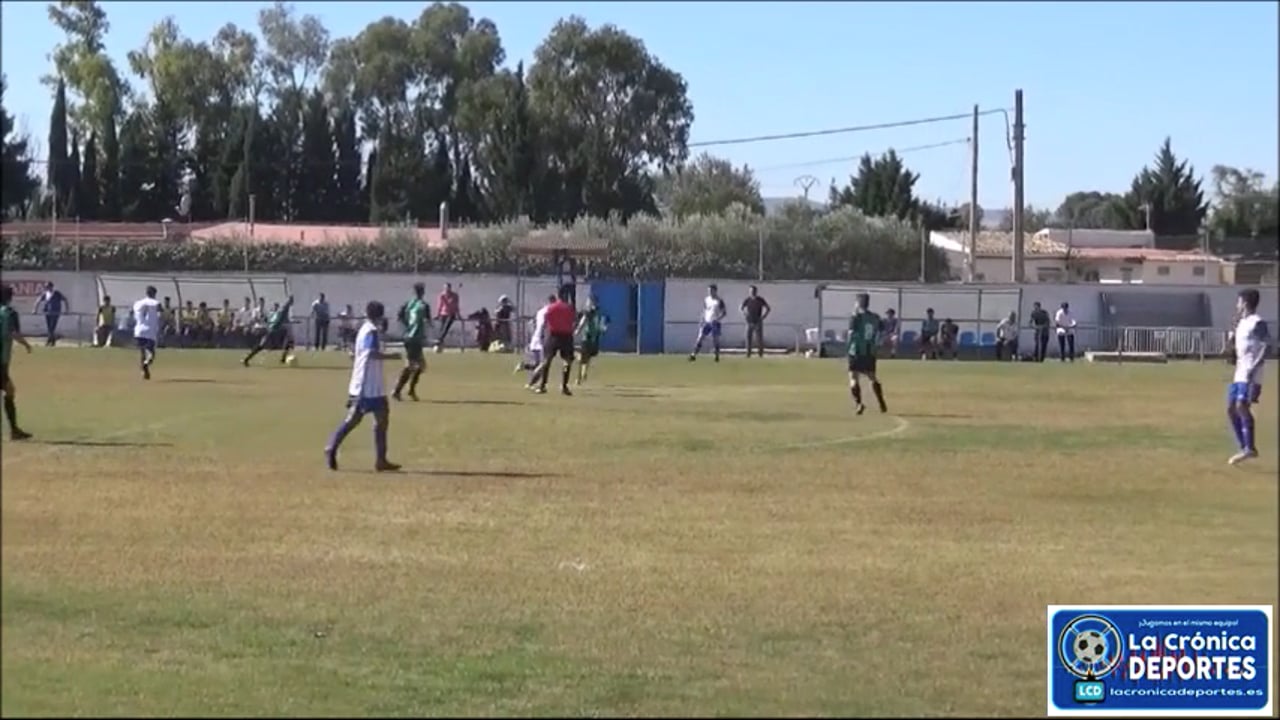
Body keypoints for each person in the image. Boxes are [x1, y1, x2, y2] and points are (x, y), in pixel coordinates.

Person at [325, 300, 401, 472]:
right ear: (380, 316)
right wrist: (392, 356)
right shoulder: (372, 332)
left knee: (382, 418)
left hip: (370, 385)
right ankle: (331, 447)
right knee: (354, 419)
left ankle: (381, 460)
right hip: (368, 386)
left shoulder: (363, 330)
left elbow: (356, 352)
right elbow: (371, 353)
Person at [1226, 289, 1269, 465]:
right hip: (1239, 372)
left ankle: (1249, 448)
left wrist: (1254, 365)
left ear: (1244, 303)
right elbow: (1233, 347)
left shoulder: (1257, 322)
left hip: (1251, 372)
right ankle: (1245, 447)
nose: (1236, 305)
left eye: (1238, 301)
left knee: (1241, 405)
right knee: (1231, 409)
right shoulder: (1240, 322)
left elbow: (1267, 346)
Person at [1, 284, 34, 440]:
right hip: (1, 360)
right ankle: (14, 431)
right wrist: (26, 344)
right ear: (10, 297)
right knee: (10, 390)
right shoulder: (9, 313)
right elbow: (13, 333)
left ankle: (14, 430)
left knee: (9, 390)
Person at [530, 286, 577, 396]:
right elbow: (573, 321)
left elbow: (546, 320)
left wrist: (543, 333)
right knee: (567, 361)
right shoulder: (570, 308)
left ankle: (543, 385)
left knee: (547, 360)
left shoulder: (551, 308)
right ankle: (564, 386)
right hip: (566, 336)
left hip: (553, 335)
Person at [847, 293, 888, 415]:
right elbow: (882, 332)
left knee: (853, 378)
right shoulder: (875, 317)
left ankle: (859, 404)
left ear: (858, 303)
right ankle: (881, 402)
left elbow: (851, 334)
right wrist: (876, 344)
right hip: (870, 351)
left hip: (856, 351)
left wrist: (848, 348)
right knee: (872, 377)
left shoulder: (856, 317)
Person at [393, 283, 429, 402]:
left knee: (417, 365)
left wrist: (408, 326)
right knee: (414, 365)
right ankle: (400, 390)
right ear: (423, 292)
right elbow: (427, 322)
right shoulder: (424, 305)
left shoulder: (407, 304)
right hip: (416, 338)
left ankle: (406, 391)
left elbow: (399, 317)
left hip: (408, 337)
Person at [242, 296, 295, 365]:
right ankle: (246, 359)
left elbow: (266, 320)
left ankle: (247, 359)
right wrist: (290, 300)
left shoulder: (274, 313)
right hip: (274, 332)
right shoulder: (282, 312)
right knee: (289, 341)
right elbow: (285, 308)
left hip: (271, 331)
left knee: (261, 346)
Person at [518, 295, 554, 385]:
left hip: (535, 338)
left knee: (537, 364)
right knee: (543, 364)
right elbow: (544, 324)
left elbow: (533, 323)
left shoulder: (540, 311)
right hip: (542, 339)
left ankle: (524, 366)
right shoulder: (550, 311)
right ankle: (531, 384)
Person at [575, 297, 609, 386]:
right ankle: (583, 374)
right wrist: (603, 330)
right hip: (595, 339)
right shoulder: (602, 313)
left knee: (582, 358)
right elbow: (605, 326)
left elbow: (582, 323)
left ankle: (579, 378)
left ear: (592, 303)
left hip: (587, 337)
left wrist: (576, 332)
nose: (587, 303)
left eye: (588, 302)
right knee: (587, 357)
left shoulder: (588, 313)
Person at [689, 283, 726, 362]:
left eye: (711, 291)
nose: (710, 292)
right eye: (709, 291)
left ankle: (717, 356)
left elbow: (724, 313)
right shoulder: (706, 299)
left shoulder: (719, 301)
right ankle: (693, 355)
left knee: (715, 339)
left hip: (715, 323)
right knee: (700, 338)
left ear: (715, 291)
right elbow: (704, 310)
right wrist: (701, 320)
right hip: (707, 322)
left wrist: (717, 319)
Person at [133, 286, 162, 381]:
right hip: (149, 331)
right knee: (151, 354)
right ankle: (146, 364)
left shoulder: (137, 303)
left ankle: (144, 372)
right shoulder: (156, 303)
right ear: (154, 294)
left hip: (138, 331)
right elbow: (160, 312)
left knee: (142, 352)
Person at [33, 281, 68, 347]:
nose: (47, 288)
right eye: (46, 287)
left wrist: (67, 310)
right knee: (49, 327)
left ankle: (50, 340)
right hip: (47, 313)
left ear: (51, 287)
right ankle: (52, 340)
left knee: (52, 327)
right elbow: (38, 301)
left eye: (48, 287)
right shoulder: (45, 294)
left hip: (55, 312)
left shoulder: (57, 293)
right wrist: (34, 309)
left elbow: (65, 299)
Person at [740, 286, 771, 358]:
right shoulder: (747, 300)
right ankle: (748, 354)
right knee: (748, 338)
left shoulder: (760, 300)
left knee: (759, 339)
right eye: (750, 291)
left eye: (753, 291)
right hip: (749, 321)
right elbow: (741, 308)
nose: (752, 292)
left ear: (756, 291)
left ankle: (760, 354)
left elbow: (768, 308)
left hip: (758, 322)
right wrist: (744, 314)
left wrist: (763, 317)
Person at [434, 282, 461, 352]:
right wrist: (438, 314)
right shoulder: (441, 295)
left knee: (446, 327)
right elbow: (439, 305)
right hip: (443, 313)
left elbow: (456, 306)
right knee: (441, 329)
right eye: (445, 288)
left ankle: (439, 340)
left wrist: (458, 315)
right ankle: (440, 342)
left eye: (448, 288)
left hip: (451, 314)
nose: (446, 289)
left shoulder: (455, 296)